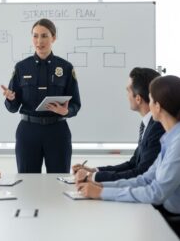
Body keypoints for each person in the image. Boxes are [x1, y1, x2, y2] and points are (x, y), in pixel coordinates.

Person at [75, 75, 180, 238]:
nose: (148, 104)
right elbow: (145, 179)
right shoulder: (169, 138)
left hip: (172, 221)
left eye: (151, 100)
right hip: (164, 214)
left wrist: (102, 193)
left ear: (158, 106)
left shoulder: (177, 143)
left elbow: (156, 193)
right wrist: (102, 186)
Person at [1, 18, 81, 173]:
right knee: (27, 183)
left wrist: (66, 111)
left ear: (53, 38)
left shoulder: (65, 67)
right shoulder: (22, 67)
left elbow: (75, 104)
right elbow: (13, 107)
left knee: (58, 182)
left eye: (44, 36)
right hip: (28, 132)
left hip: (57, 131)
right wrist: (10, 99)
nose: (39, 41)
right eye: (35, 36)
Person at [73, 67, 165, 182]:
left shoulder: (158, 127)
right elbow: (133, 164)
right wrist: (95, 171)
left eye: (128, 91)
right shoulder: (149, 124)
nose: (126, 95)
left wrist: (93, 177)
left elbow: (141, 172)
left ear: (138, 98)